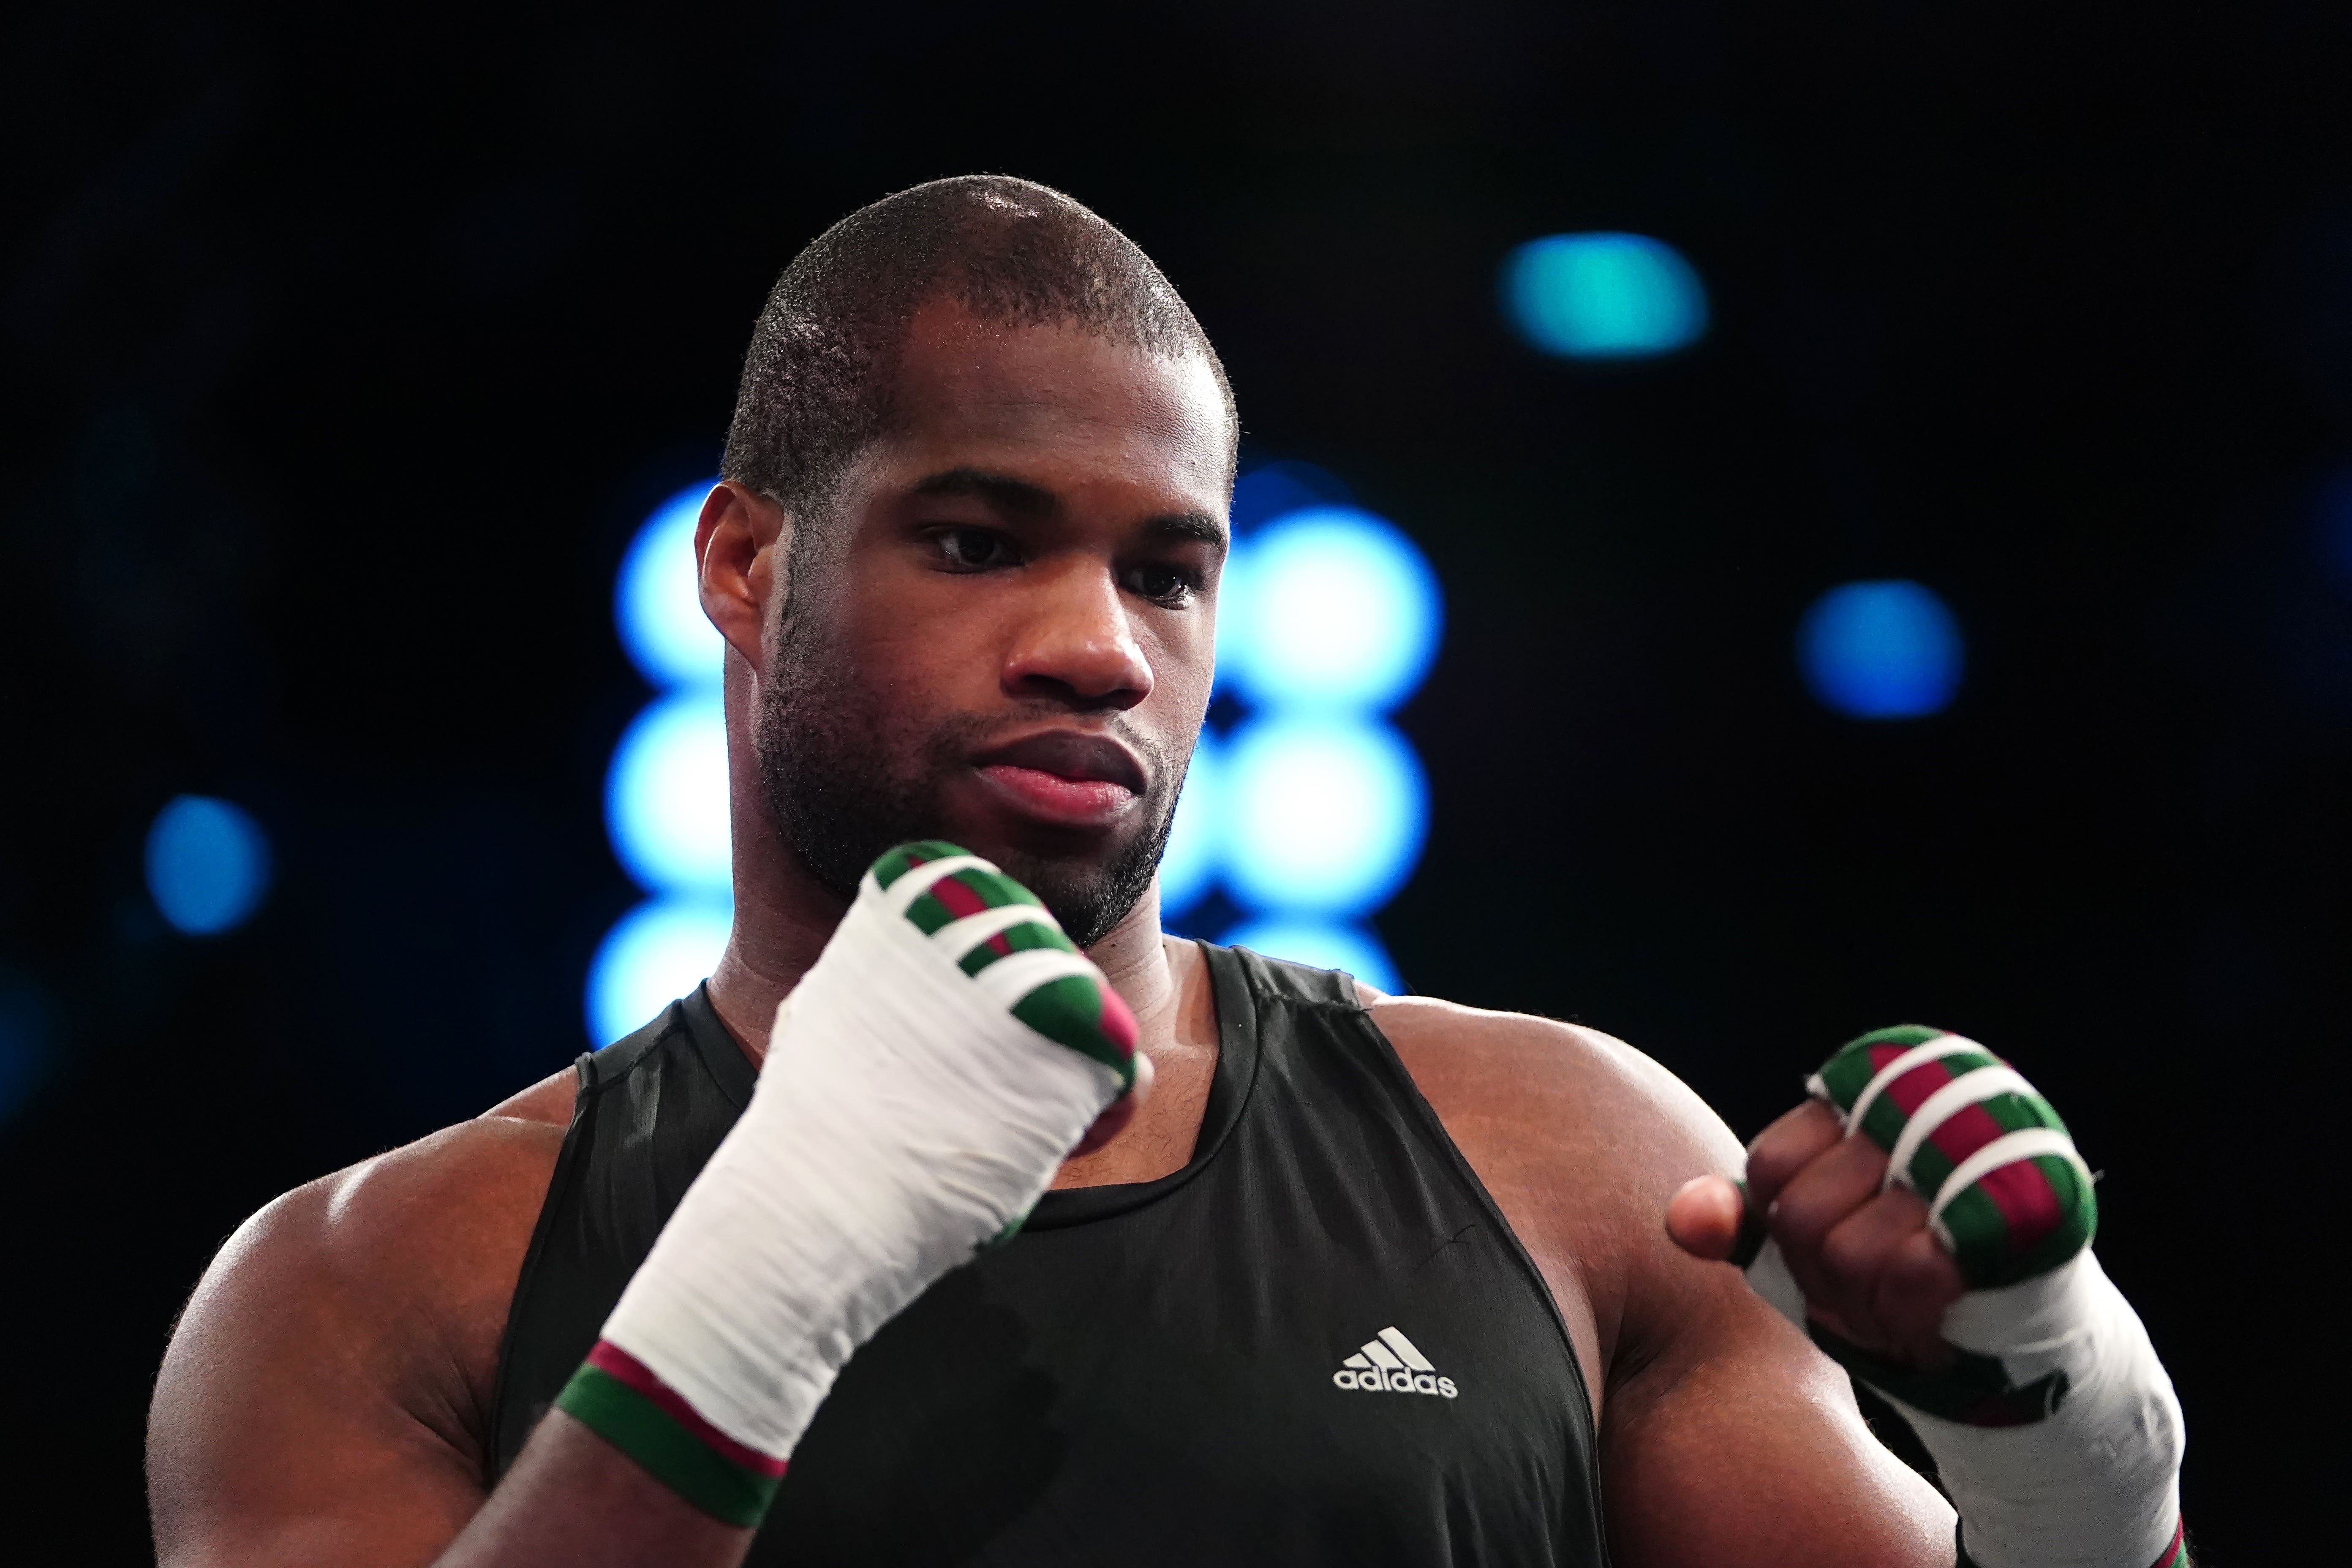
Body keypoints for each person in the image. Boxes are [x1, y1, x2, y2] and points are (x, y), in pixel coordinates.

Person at [147, 176, 2186, 1568]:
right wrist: (768, 1265)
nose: (1099, 646)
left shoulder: (1565, 1162)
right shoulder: (368, 1289)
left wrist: (2071, 1440)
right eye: (977, 537)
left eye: (1167, 567)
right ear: (746, 564)